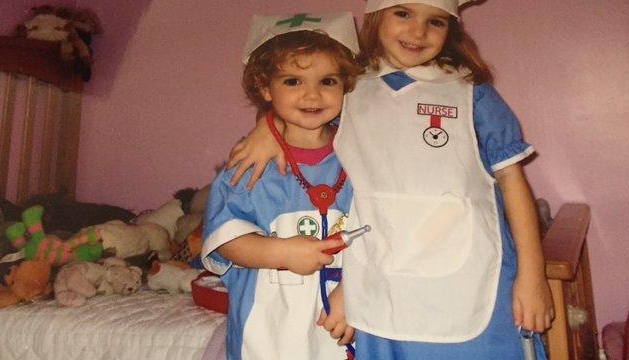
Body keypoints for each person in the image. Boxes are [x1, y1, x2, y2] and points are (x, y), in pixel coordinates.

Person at [226, 1, 555, 359]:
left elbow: (512, 182)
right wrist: (268, 127)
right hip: (380, 283)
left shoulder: (470, 92)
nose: (418, 32)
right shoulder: (349, 90)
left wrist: (532, 276)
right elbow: (305, 116)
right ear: (376, 17)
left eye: (435, 22)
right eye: (403, 13)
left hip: (473, 276)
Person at [201, 12, 363, 360]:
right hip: (268, 332)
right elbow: (226, 239)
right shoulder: (250, 165)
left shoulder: (361, 157)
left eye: (328, 81)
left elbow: (382, 236)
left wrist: (357, 291)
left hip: (342, 322)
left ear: (346, 85)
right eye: (293, 81)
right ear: (264, 87)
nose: (312, 95)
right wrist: (282, 253)